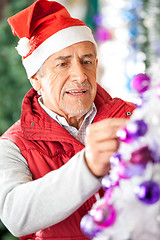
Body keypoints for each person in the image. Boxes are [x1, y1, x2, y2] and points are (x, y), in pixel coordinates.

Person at [0, 0, 135, 239]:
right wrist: (88, 166)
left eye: (87, 61)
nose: (80, 75)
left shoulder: (133, 119)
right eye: (62, 64)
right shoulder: (12, 146)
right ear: (36, 79)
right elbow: (15, 215)